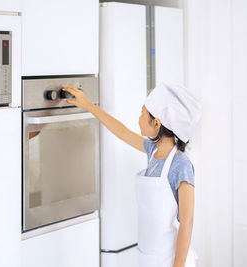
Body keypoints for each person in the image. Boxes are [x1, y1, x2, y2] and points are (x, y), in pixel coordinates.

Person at [62, 82, 201, 267]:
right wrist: (88, 105)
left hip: (171, 261)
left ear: (157, 123)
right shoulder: (153, 151)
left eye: (142, 114)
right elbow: (122, 132)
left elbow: (187, 222)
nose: (139, 119)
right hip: (148, 257)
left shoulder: (181, 164)